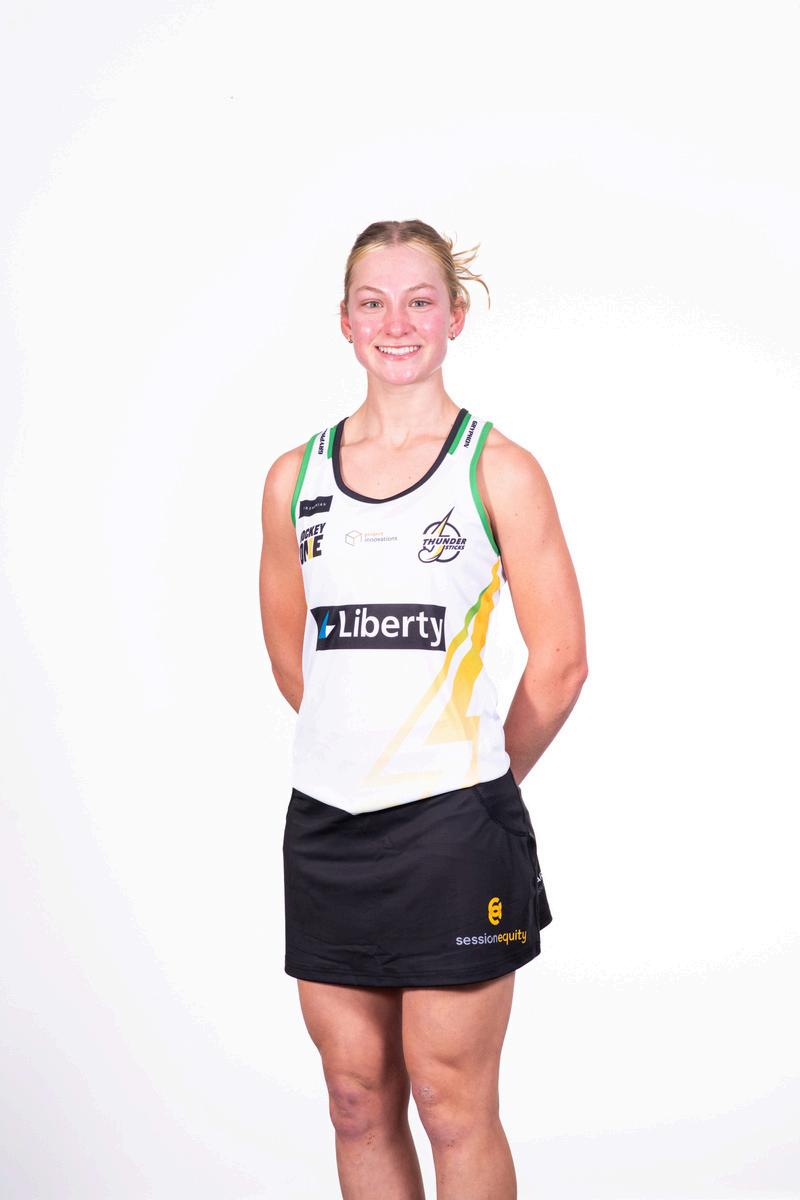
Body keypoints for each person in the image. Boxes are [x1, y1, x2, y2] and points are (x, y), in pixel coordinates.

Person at [259, 219, 588, 1200]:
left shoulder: (498, 469)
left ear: (454, 317)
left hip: (453, 830)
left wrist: (470, 781)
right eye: (373, 302)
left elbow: (561, 662)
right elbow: (295, 657)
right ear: (345, 321)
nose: (395, 323)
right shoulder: (294, 478)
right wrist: (362, 753)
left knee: (449, 1104)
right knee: (355, 1099)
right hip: (328, 827)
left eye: (417, 301)